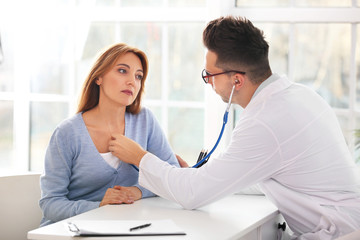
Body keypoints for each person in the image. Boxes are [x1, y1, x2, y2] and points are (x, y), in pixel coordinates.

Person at [109, 16, 360, 239]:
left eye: (209, 76)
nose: (208, 83)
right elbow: (264, 171)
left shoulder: (264, 121)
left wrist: (139, 157)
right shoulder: (300, 95)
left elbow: (192, 194)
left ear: (236, 79)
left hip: (338, 232)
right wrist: (205, 175)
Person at [39, 43, 180, 226]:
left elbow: (172, 177)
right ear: (98, 77)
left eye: (138, 76)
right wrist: (99, 206)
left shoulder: (145, 120)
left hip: (121, 228)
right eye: (122, 71)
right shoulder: (67, 133)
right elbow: (50, 204)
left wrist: (136, 192)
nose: (132, 81)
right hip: (70, 231)